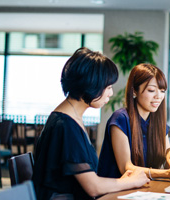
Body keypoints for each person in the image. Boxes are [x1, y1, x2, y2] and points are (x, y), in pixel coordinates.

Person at [32, 47, 150, 200]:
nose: (111, 93)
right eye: (108, 87)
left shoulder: (68, 118)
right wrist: (131, 182)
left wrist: (123, 181)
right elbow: (93, 188)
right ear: (91, 85)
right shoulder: (66, 125)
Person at [98, 63, 170, 182]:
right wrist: (166, 173)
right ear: (134, 91)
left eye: (162, 90)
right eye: (151, 90)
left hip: (142, 189)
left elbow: (167, 157)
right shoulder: (121, 119)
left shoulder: (158, 121)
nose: (158, 96)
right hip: (114, 193)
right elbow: (126, 168)